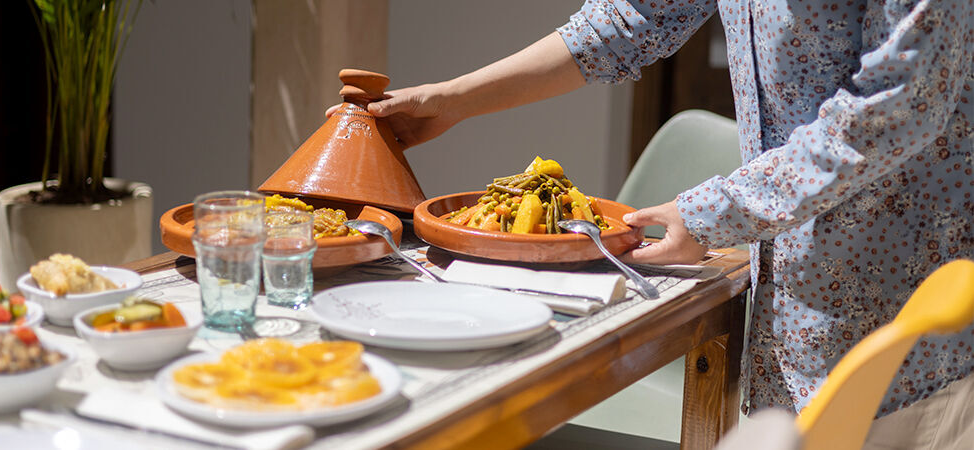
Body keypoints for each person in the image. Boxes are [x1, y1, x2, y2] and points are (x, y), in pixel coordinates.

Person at [328, 0, 973, 447]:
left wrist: (713, 213)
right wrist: (453, 101)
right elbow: (633, 17)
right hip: (790, 307)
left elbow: (897, 107)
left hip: (908, 315)